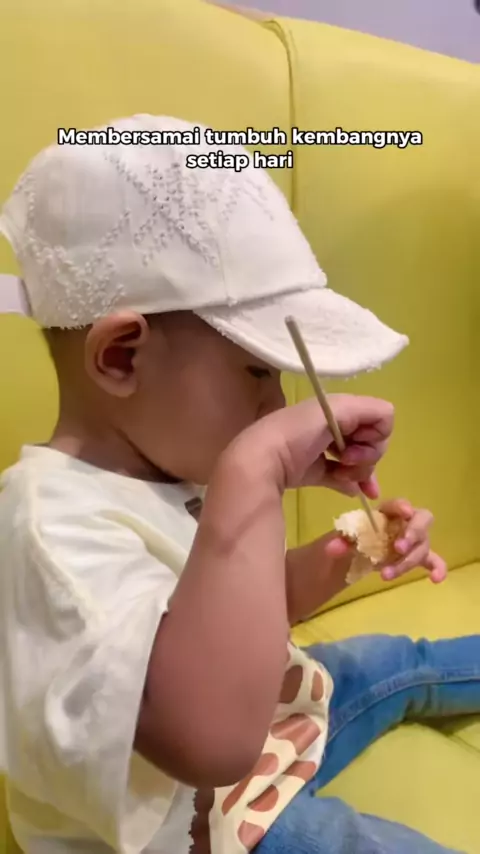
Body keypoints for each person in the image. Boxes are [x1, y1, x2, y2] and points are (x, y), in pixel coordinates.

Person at [0, 115, 476, 854]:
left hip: (269, 731)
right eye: (257, 371)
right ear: (121, 356)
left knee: (395, 660)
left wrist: (353, 546)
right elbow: (208, 742)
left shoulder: (167, 470)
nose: (276, 405)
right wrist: (255, 473)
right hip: (203, 827)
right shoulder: (48, 530)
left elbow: (253, 609)